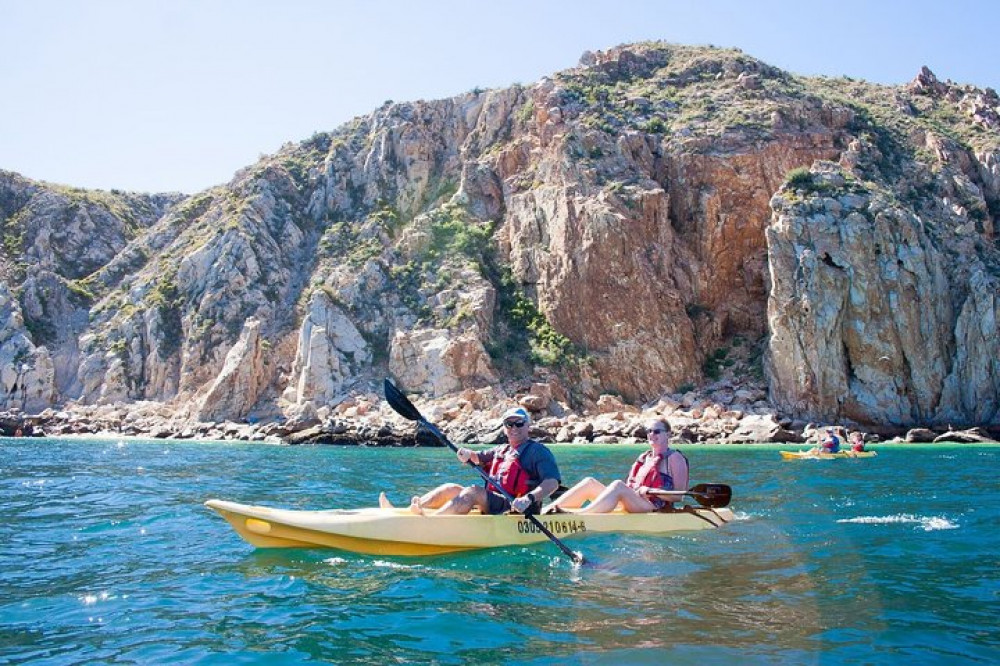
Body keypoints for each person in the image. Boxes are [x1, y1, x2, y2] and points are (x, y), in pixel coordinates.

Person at [386, 406, 562, 516]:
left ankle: (431, 522)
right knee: (450, 488)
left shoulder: (538, 452)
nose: (514, 428)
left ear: (528, 426)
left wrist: (529, 498)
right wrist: (466, 453)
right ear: (504, 428)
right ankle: (411, 511)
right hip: (498, 502)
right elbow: (477, 457)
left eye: (519, 423)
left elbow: (552, 482)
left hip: (518, 508)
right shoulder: (502, 450)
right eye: (509, 424)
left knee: (473, 492)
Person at [542, 418, 689, 514]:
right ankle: (545, 512)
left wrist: (650, 490)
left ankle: (579, 515)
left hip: (654, 508)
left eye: (656, 431)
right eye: (649, 431)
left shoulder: (675, 458)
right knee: (589, 483)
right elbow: (631, 486)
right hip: (635, 502)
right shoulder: (644, 458)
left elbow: (679, 496)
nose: (651, 434)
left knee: (618, 486)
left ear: (668, 434)